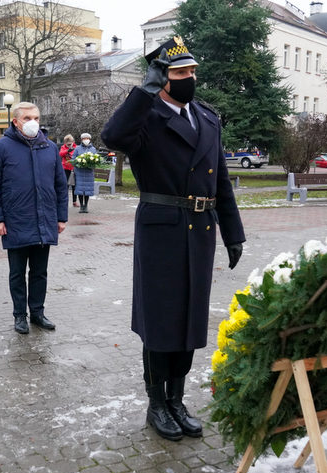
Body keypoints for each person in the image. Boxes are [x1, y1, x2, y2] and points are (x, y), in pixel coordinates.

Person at [101, 37, 246, 441]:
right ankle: (156, 404)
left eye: (192, 71)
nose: (190, 78)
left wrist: (233, 233)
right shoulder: (144, 118)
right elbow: (112, 136)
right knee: (161, 322)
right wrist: (142, 93)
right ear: (161, 77)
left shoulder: (207, 117)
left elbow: (222, 182)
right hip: (161, 229)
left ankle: (178, 400)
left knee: (189, 320)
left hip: (201, 230)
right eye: (181, 73)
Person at [0, 102, 68, 334]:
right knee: (17, 273)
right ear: (15, 122)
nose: (33, 122)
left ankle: (37, 312)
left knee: (40, 272)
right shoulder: (1, 148)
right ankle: (20, 314)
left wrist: (61, 217)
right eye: (27, 118)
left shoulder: (49, 147)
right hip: (15, 221)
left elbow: (60, 185)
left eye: (36, 118)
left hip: (44, 220)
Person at [70, 132, 96, 213]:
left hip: (89, 172)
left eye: (87, 138)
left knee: (87, 190)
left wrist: (91, 163)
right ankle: (81, 206)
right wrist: (78, 162)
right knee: (80, 190)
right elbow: (73, 159)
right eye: (84, 138)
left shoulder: (93, 149)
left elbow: (96, 160)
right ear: (81, 140)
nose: (86, 140)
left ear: (90, 139)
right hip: (79, 172)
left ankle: (86, 206)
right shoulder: (77, 148)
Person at [59, 134, 78, 207]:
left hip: (74, 169)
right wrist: (67, 151)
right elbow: (60, 154)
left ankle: (74, 201)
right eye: (67, 143)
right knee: (65, 185)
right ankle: (65, 201)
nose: (69, 144)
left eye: (70, 142)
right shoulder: (63, 147)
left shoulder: (76, 147)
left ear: (73, 141)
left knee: (75, 186)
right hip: (66, 169)